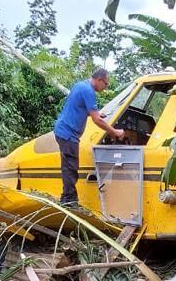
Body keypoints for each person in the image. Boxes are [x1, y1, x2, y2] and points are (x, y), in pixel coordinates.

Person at [53, 68, 124, 205]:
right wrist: (115, 132)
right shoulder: (88, 91)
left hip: (62, 130)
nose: (106, 87)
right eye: (106, 84)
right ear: (99, 80)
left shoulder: (80, 85)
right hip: (68, 134)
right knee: (70, 168)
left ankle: (67, 198)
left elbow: (78, 107)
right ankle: (69, 200)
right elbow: (97, 120)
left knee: (68, 166)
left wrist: (94, 113)